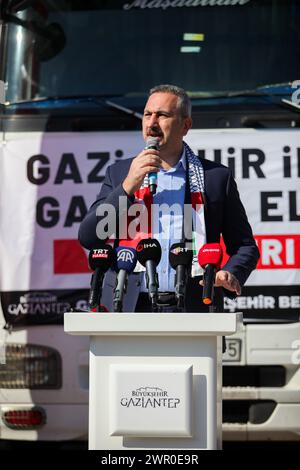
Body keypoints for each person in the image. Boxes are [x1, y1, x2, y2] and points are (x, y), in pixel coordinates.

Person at [79, 84, 260, 313]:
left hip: (194, 305)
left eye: (162, 115)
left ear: (186, 125)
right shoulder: (119, 174)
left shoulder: (215, 178)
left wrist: (230, 273)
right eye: (147, 115)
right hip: (130, 304)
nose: (152, 123)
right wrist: (127, 188)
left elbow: (245, 247)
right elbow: (89, 237)